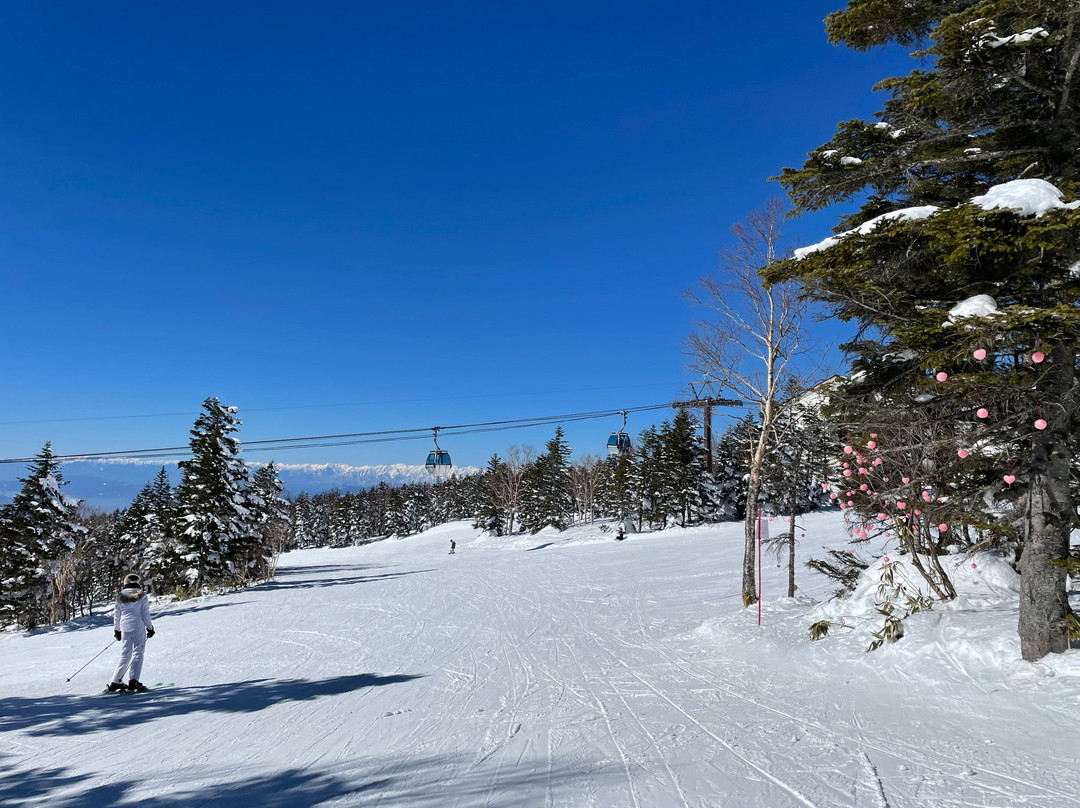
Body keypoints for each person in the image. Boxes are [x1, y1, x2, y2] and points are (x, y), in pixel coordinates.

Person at [107, 573, 155, 693]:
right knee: (138, 653)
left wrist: (117, 630)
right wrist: (150, 628)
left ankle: (115, 681)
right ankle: (133, 681)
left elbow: (117, 616)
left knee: (125, 655)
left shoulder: (120, 596)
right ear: (137, 582)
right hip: (138, 627)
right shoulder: (142, 596)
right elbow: (145, 614)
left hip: (125, 628)